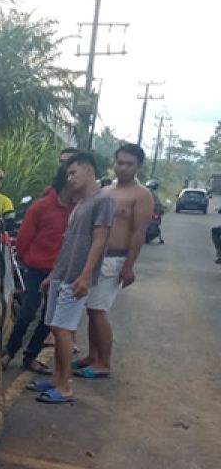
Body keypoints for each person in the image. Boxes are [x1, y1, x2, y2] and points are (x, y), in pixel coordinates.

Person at [28, 152, 114, 404]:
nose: (70, 178)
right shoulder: (79, 204)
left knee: (64, 330)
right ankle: (56, 378)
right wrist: (53, 273)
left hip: (76, 277)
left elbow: (100, 240)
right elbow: (67, 244)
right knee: (55, 327)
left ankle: (65, 386)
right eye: (68, 174)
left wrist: (85, 276)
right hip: (62, 275)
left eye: (74, 172)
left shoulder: (103, 201)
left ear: (89, 170)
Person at [73, 143, 154, 379]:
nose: (124, 168)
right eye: (120, 163)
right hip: (96, 258)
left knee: (98, 310)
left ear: (138, 166)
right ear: (114, 162)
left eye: (129, 164)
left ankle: (105, 362)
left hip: (116, 259)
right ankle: (93, 356)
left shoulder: (141, 195)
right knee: (91, 309)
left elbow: (138, 232)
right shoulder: (106, 190)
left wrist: (129, 266)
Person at [3, 165, 74, 373]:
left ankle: (30, 356)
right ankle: (9, 351)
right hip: (35, 269)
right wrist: (28, 260)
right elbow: (24, 237)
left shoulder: (77, 209)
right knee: (27, 313)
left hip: (61, 272)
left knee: (49, 318)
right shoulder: (41, 206)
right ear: (65, 181)